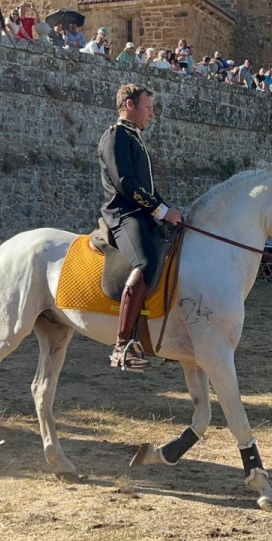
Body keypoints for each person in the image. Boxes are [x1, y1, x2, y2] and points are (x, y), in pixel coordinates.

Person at [99, 84, 183, 370]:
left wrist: (168, 212)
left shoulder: (135, 138)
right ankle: (122, 345)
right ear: (129, 105)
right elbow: (125, 184)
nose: (152, 114)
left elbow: (149, 187)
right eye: (148, 107)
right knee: (145, 263)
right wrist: (160, 210)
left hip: (144, 214)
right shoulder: (115, 136)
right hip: (123, 215)